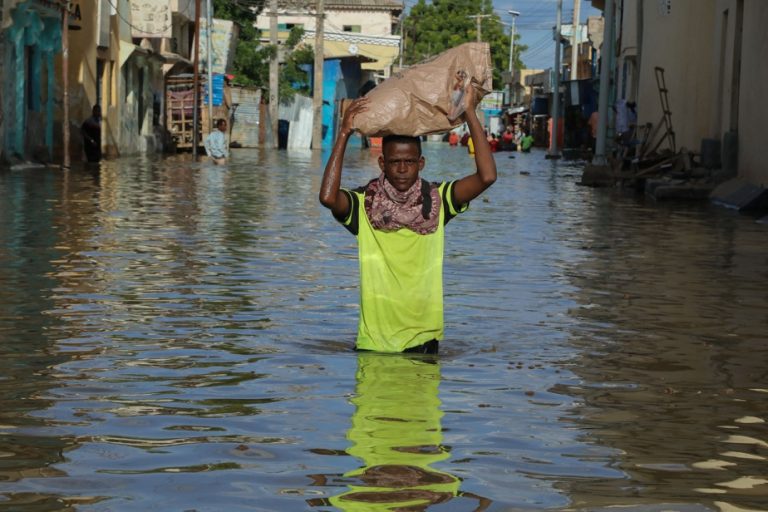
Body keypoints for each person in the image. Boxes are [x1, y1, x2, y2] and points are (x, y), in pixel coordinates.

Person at [319, 85, 496, 354]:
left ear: (421, 163)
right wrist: (344, 133)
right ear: (382, 164)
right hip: (374, 345)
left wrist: (469, 111)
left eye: (410, 162)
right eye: (395, 162)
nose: (402, 169)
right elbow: (328, 198)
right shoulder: (364, 205)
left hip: (423, 343)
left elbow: (487, 177)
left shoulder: (437, 201)